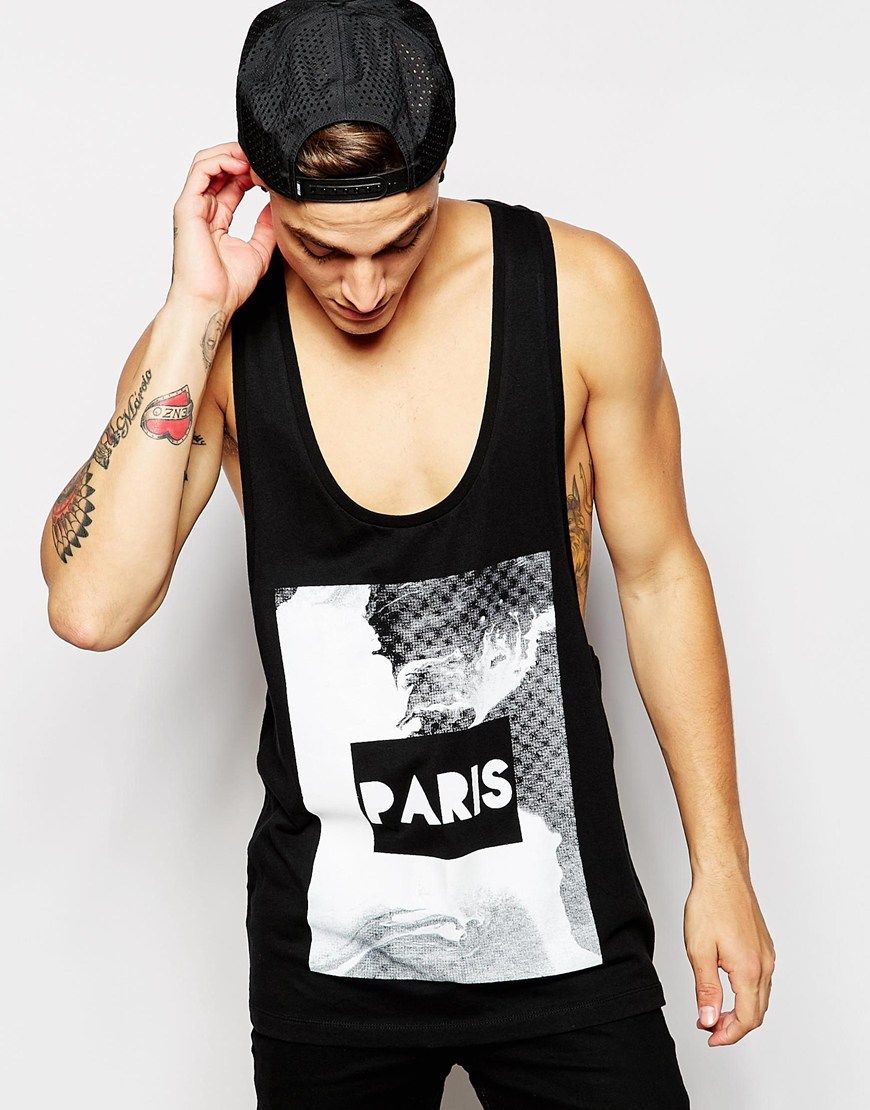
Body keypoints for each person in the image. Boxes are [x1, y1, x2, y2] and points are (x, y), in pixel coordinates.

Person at [40, 1, 775, 1106]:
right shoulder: (214, 341)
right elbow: (91, 607)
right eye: (321, 250)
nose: (365, 288)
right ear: (260, 195)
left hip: (563, 930)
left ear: (440, 180)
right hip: (335, 961)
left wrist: (723, 869)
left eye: (400, 240)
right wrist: (195, 307)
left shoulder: (580, 294)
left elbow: (661, 574)